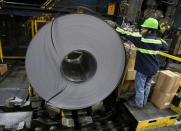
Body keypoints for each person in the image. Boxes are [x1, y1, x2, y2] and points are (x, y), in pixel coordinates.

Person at [106, 18, 168, 108]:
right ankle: (144, 102)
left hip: (143, 69)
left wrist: (115, 26)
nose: (141, 29)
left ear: (149, 30)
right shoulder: (158, 41)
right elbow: (165, 46)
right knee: (147, 86)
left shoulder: (141, 39)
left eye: (143, 28)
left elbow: (126, 33)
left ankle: (139, 104)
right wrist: (157, 37)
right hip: (153, 69)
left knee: (140, 88)